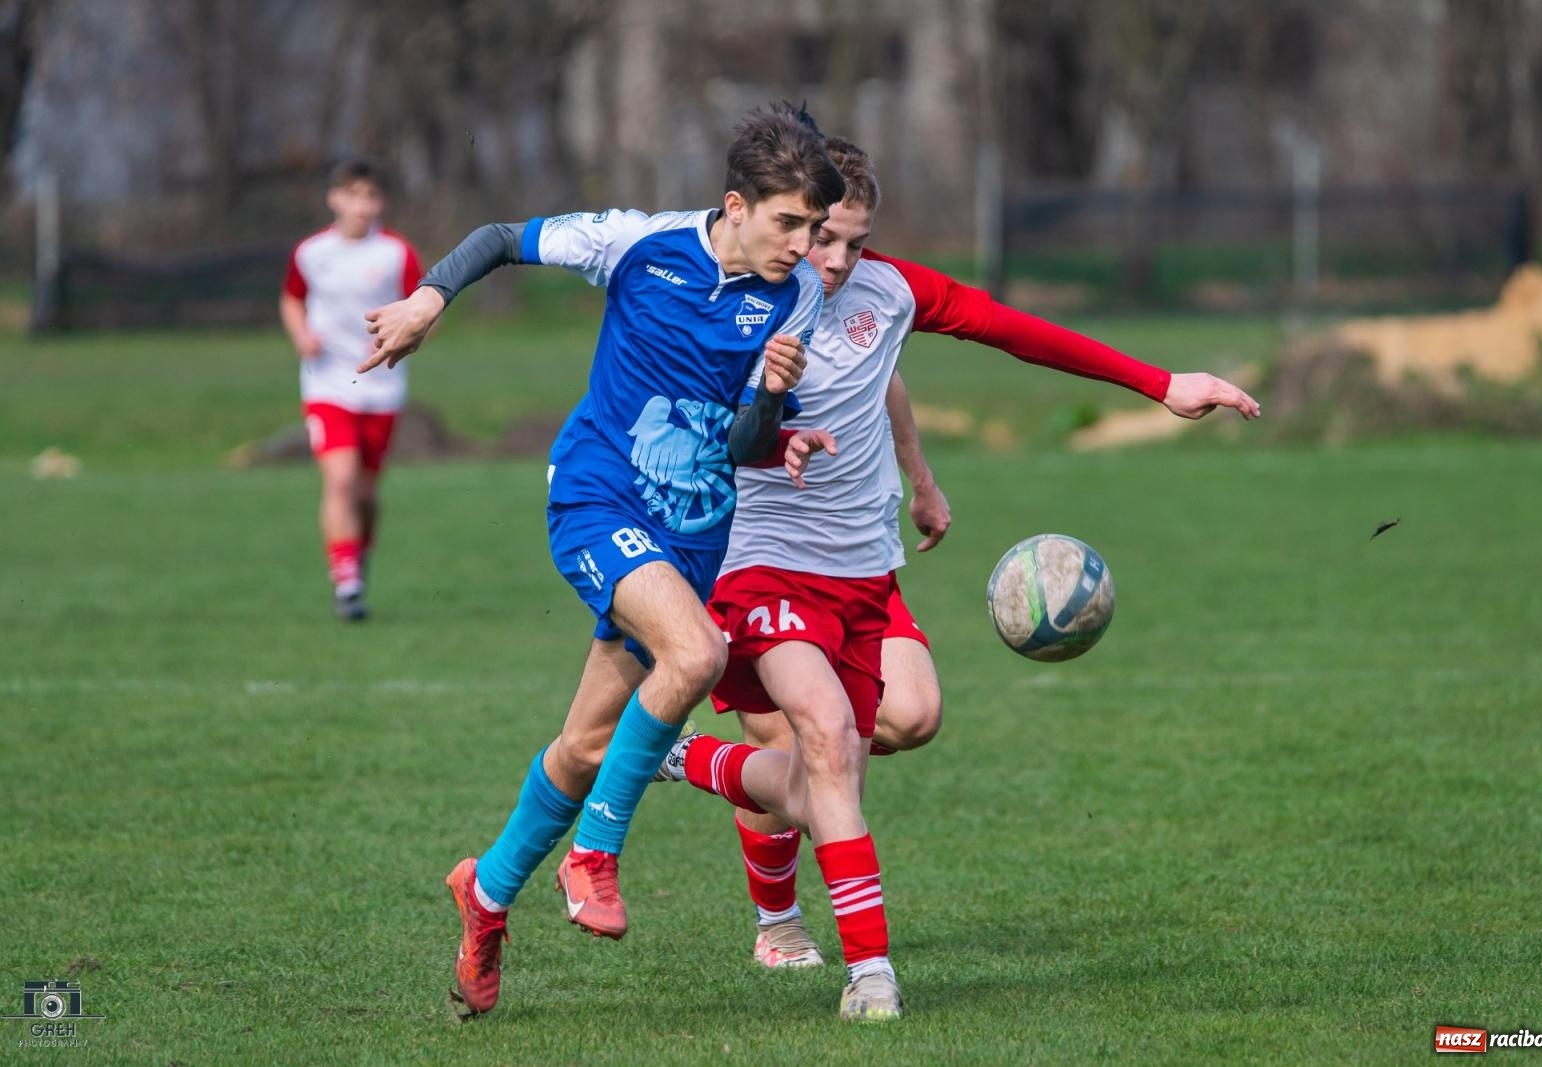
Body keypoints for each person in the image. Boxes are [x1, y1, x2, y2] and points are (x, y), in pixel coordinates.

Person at [654, 137, 1262, 1020]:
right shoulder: (734, 299)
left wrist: (1158, 381)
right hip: (755, 561)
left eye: (856, 243)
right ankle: (810, 939)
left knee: (903, 721)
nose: (835, 261)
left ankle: (678, 760)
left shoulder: (884, 293)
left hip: (861, 566)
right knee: (817, 742)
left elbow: (999, 337)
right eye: (821, 237)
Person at [359, 103, 845, 1020]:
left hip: (693, 531)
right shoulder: (637, 243)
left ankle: (488, 894)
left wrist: (774, 398)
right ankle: (596, 852)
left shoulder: (799, 297)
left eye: (814, 227)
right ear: (736, 205)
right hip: (598, 499)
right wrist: (429, 298)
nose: (804, 243)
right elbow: (503, 237)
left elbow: (744, 442)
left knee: (584, 745)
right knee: (696, 656)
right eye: (789, 222)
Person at [279, 160, 423, 621]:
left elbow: (426, 308)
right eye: (354, 195)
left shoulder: (396, 253)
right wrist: (301, 334)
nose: (363, 206)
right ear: (334, 198)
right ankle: (346, 583)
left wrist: (401, 337)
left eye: (372, 196)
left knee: (365, 495)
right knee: (339, 481)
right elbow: (292, 298)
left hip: (381, 387)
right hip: (326, 383)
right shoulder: (311, 253)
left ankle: (355, 559)